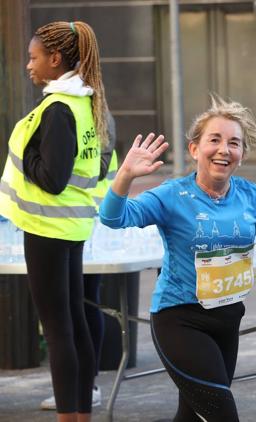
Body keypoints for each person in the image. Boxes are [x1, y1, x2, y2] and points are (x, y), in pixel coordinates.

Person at [99, 95, 256, 421]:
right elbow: (114, 218)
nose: (224, 149)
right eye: (214, 140)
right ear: (195, 149)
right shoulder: (172, 195)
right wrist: (125, 176)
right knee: (222, 415)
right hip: (179, 319)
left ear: (242, 154)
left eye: (234, 143)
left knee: (191, 415)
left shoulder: (250, 196)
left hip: (227, 319)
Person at [0, 21, 110, 422]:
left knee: (58, 328)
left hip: (47, 229)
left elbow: (52, 178)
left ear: (55, 59)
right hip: (72, 228)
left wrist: (26, 152)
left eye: (33, 57)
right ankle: (80, 414)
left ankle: (69, 416)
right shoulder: (85, 103)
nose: (28, 65)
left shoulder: (59, 108)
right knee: (75, 322)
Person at [40, 113, 118, 411]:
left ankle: (89, 385)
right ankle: (80, 386)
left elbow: (96, 168)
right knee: (78, 305)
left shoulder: (94, 113)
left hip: (88, 219)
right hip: (75, 218)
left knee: (85, 301)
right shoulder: (85, 109)